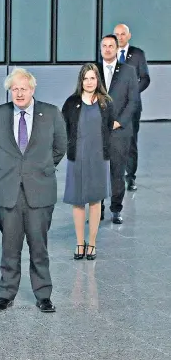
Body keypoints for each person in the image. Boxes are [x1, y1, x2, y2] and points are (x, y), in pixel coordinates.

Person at [0, 68, 66, 313]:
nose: (19, 93)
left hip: (40, 191)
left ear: (32, 90)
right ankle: (6, 294)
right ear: (10, 91)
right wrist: (10, 168)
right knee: (10, 246)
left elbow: (60, 147)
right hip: (7, 192)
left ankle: (44, 295)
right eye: (15, 89)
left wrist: (40, 168)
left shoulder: (50, 113)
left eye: (23, 89)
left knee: (39, 246)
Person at [62, 64, 113, 261]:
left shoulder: (106, 102)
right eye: (86, 78)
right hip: (77, 158)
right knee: (77, 200)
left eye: (93, 78)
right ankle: (79, 242)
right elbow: (63, 126)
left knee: (95, 200)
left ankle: (92, 243)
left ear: (97, 80)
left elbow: (109, 127)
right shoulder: (71, 102)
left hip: (99, 158)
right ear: (81, 81)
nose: (89, 82)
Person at [98, 34, 140, 224]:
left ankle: (116, 209)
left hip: (119, 131)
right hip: (96, 131)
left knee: (117, 171)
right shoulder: (93, 70)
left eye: (110, 46)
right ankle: (97, 209)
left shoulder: (128, 71)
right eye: (104, 46)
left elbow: (133, 101)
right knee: (97, 171)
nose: (107, 49)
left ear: (117, 49)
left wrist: (118, 122)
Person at [114, 24, 150, 191]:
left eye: (123, 34)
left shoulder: (137, 54)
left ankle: (130, 177)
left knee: (130, 141)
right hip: (112, 107)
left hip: (132, 106)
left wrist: (133, 93)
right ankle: (113, 176)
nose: (119, 37)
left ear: (129, 36)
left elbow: (145, 78)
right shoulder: (109, 53)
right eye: (117, 34)